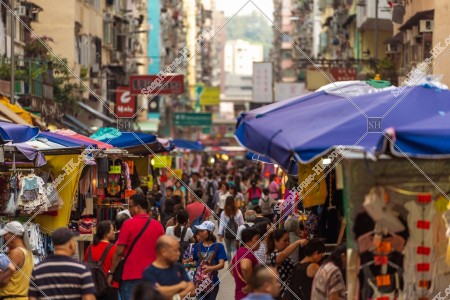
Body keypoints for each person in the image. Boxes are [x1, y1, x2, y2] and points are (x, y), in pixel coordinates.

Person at [108, 193, 165, 300]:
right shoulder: (158, 226)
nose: (129, 209)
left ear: (138, 207)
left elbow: (119, 252)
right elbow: (163, 251)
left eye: (130, 206)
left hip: (131, 276)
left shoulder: (128, 224)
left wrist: (111, 272)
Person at [29, 228, 96, 300]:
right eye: (74, 241)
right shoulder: (82, 269)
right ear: (71, 243)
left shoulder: (37, 270)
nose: (75, 244)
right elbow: (89, 298)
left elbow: (32, 298)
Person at [267, 228, 308, 299]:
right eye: (285, 241)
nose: (288, 243)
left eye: (288, 240)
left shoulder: (285, 257)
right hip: (281, 295)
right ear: (276, 241)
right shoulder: (273, 256)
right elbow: (282, 256)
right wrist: (298, 242)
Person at [193, 221, 227, 300]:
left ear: (210, 232)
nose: (200, 233)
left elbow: (221, 265)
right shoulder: (196, 246)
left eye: (202, 231)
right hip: (199, 282)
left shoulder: (219, 246)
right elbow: (193, 263)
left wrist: (210, 268)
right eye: (199, 231)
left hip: (213, 282)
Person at [84, 220, 118, 300]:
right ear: (106, 233)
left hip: (92, 286)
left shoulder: (89, 248)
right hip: (108, 286)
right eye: (112, 230)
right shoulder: (113, 248)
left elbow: (85, 264)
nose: (114, 232)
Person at [0, 221, 33, 300]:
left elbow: (3, 281)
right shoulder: (28, 253)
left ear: (12, 236)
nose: (4, 238)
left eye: (5, 235)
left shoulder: (16, 253)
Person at [232, 227, 261, 300]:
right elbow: (245, 267)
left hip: (239, 294)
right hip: (249, 295)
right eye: (257, 239)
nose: (259, 241)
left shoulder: (240, 251)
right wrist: (250, 284)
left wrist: (239, 279)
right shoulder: (247, 253)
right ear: (248, 240)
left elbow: (230, 268)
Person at [218, 196, 245, 261]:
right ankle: (235, 264)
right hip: (236, 233)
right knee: (234, 248)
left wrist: (220, 234)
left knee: (229, 250)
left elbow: (222, 224)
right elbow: (242, 223)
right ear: (234, 202)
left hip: (226, 233)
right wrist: (243, 233)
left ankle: (230, 265)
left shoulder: (224, 213)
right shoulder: (238, 212)